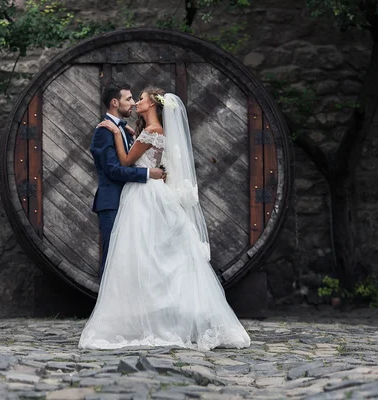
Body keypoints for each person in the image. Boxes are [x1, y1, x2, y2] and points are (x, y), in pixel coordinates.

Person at [79, 88, 251, 350]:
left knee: (143, 259)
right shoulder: (139, 131)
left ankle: (147, 321)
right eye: (131, 99)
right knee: (148, 259)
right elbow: (122, 165)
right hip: (144, 195)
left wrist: (121, 136)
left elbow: (125, 162)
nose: (136, 102)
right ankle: (147, 318)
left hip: (143, 197)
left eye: (141, 99)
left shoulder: (144, 132)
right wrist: (127, 140)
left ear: (153, 105)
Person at [90, 81, 164, 277]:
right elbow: (113, 170)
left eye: (135, 99)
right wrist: (148, 174)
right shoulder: (104, 131)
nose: (133, 103)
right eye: (129, 99)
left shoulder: (124, 129)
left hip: (129, 201)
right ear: (115, 102)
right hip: (112, 202)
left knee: (128, 259)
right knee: (113, 259)